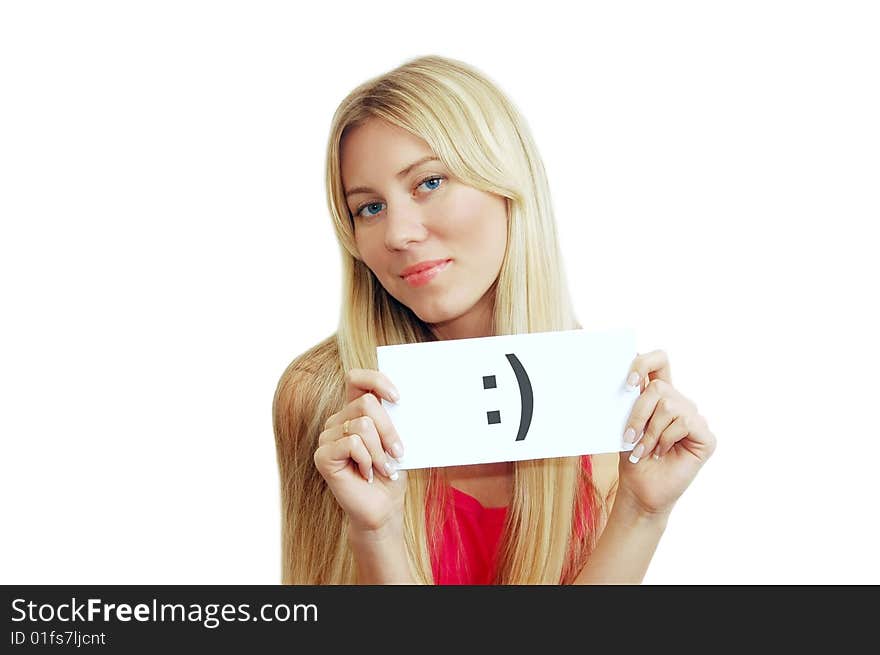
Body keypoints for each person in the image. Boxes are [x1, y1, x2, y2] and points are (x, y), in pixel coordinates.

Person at [272, 54, 717, 584]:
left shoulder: (603, 403)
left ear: (507, 185)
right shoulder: (325, 402)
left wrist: (642, 513)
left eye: (429, 182)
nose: (398, 234)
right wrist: (377, 535)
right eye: (369, 208)